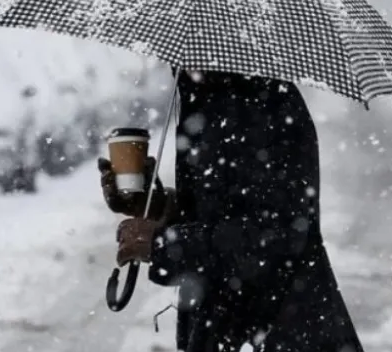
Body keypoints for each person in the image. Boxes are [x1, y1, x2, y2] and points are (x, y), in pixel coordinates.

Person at [98, 70, 365, 352]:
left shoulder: (266, 106)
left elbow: (275, 235)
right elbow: (220, 209)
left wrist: (164, 244)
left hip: (278, 328)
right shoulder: (208, 97)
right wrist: (155, 205)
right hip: (225, 327)